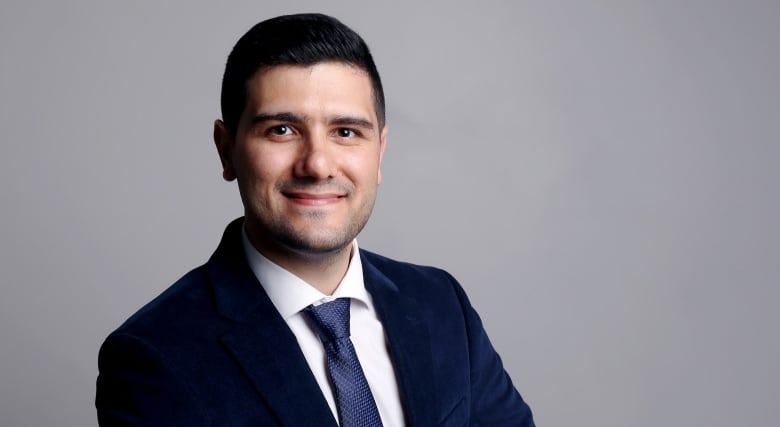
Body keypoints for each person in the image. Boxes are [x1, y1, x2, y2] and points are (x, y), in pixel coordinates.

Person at [96, 13, 535, 427]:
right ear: (226, 149)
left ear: (379, 152)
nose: (318, 164)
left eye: (346, 132)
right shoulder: (155, 358)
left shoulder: (441, 304)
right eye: (281, 130)